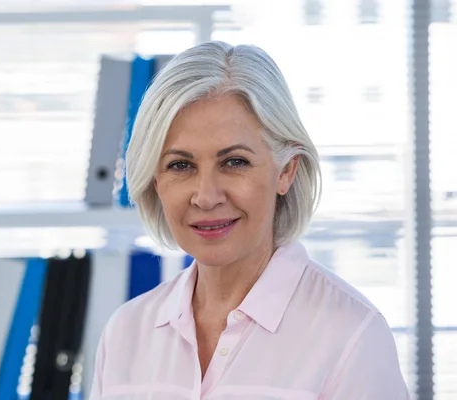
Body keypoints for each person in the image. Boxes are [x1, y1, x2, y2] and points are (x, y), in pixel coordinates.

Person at [89, 41, 410, 399]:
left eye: (234, 162)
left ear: (286, 170)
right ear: (155, 180)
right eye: (181, 165)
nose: (207, 196)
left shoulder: (351, 335)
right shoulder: (125, 333)